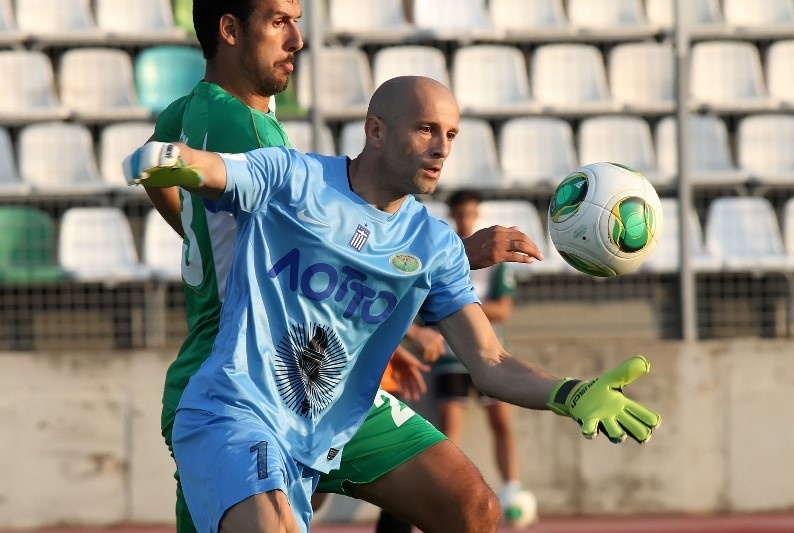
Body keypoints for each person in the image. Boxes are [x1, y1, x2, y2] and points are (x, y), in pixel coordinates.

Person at [125, 75, 662, 533]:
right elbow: (216, 170)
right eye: (426, 129)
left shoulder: (436, 245)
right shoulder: (292, 178)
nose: (442, 147)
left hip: (339, 414)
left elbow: (491, 363)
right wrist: (170, 160)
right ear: (376, 130)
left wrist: (569, 392)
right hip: (240, 406)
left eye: (451, 134)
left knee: (474, 509)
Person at [145, 2, 542, 533]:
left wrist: (198, 235)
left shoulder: (193, 107)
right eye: (280, 22)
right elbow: (329, 252)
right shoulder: (251, 133)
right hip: (241, 369)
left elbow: (154, 167)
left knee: (470, 506)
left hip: (308, 370)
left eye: (298, 22)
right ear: (230, 29)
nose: (297, 41)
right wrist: (458, 261)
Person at [435, 189, 531, 521]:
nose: (466, 219)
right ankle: (447, 495)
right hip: (448, 356)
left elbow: (504, 309)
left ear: (478, 215)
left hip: (490, 354)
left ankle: (512, 490)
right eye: (461, 214)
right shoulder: (443, 252)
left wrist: (460, 306)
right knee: (448, 429)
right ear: (453, 216)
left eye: (471, 213)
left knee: (501, 422)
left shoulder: (494, 258)